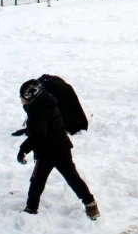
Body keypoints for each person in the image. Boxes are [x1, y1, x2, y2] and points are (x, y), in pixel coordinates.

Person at [16, 79, 100, 220]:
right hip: (62, 147)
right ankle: (91, 205)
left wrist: (23, 149)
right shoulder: (47, 101)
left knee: (37, 180)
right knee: (72, 177)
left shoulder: (37, 110)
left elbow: (39, 135)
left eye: (22, 97)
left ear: (31, 96)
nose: (21, 100)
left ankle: (31, 208)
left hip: (48, 151)